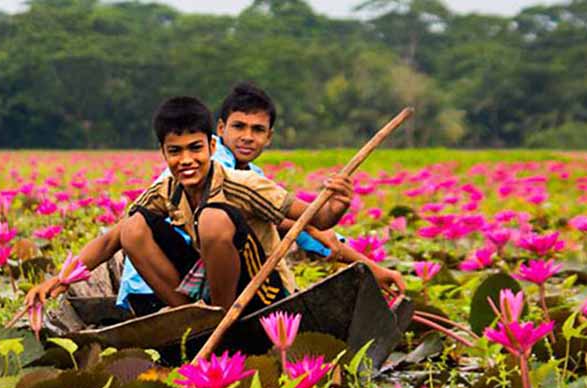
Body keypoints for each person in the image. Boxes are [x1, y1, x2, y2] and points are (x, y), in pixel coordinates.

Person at [25, 96, 354, 314]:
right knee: (133, 226)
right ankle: (190, 316)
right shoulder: (167, 189)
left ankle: (223, 319)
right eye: (175, 151)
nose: (186, 160)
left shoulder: (245, 184)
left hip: (262, 294)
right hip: (208, 291)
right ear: (163, 153)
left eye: (195, 148)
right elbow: (111, 240)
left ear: (212, 145)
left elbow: (319, 219)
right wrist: (58, 280)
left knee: (212, 218)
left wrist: (338, 203)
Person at [117, 82, 404, 314]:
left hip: (170, 286)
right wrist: (318, 230)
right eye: (239, 127)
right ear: (219, 131)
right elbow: (304, 226)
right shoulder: (204, 167)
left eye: (257, 130)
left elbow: (304, 225)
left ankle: (211, 315)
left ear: (269, 137)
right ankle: (218, 317)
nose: (247, 137)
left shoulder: (250, 175)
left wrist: (367, 266)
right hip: (166, 284)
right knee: (215, 221)